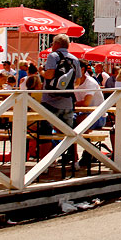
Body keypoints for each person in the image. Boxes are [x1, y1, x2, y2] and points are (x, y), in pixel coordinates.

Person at [39, 33, 81, 167]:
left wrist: (41, 72)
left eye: (52, 44)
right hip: (67, 101)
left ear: (56, 44)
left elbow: (50, 74)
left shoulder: (53, 56)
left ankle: (44, 163)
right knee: (69, 131)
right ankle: (75, 161)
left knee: (45, 131)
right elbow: (78, 80)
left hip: (49, 100)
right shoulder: (74, 59)